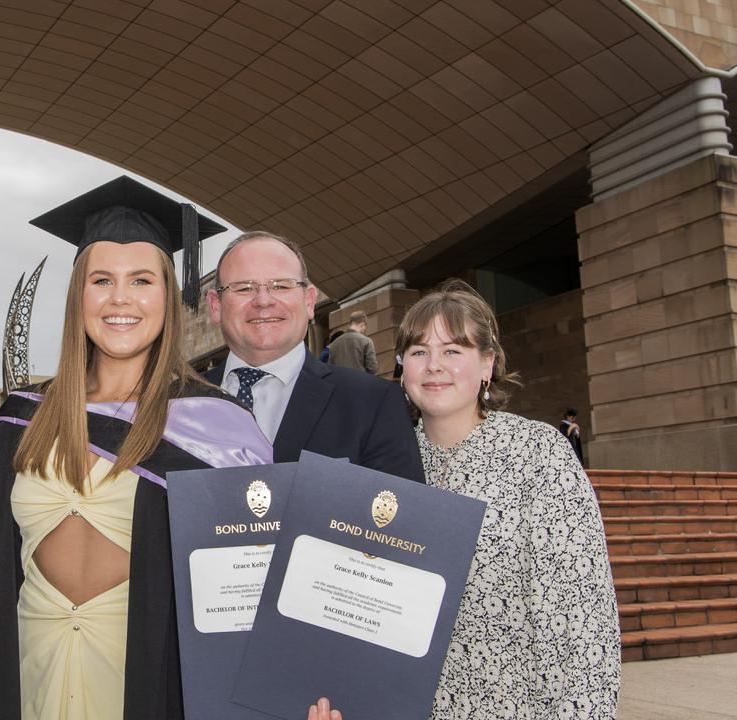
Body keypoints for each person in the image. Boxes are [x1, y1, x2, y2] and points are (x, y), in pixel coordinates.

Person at [0, 176, 271, 720]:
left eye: (141, 280)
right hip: (27, 667)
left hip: (151, 681)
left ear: (169, 295)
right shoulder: (20, 419)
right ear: (78, 295)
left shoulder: (220, 430)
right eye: (101, 280)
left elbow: (251, 596)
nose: (120, 299)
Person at [395, 280, 619, 719]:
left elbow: (581, 625)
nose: (433, 366)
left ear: (487, 364)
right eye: (419, 352)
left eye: (453, 351)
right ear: (402, 368)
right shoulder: (387, 465)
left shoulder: (538, 454)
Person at [204, 231, 422, 480]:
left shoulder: (374, 404)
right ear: (216, 306)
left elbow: (398, 514)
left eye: (281, 286)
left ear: (308, 301)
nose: (263, 300)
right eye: (244, 288)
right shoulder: (171, 406)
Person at [327, 310, 377, 374]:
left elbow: (330, 369)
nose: (364, 331)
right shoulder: (366, 341)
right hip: (360, 382)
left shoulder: (334, 344)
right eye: (365, 328)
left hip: (340, 383)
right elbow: (372, 369)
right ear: (362, 325)